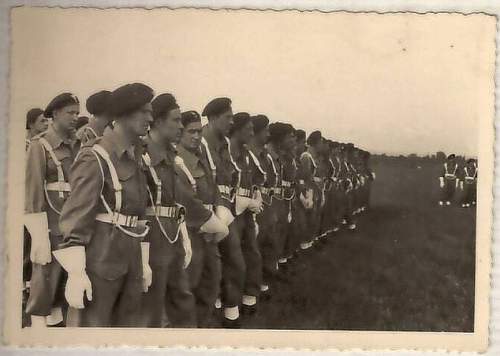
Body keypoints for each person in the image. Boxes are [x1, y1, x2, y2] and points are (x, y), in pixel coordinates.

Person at [56, 83, 153, 327]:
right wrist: (77, 273)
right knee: (92, 331)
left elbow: (137, 213)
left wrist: (142, 260)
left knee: (127, 332)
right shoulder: (94, 156)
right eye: (144, 111)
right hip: (101, 262)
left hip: (129, 258)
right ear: (123, 114)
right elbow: (76, 217)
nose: (150, 118)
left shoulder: (134, 156)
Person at [24, 93, 80, 328]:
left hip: (74, 230)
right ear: (55, 114)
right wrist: (38, 236)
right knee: (44, 289)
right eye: (70, 113)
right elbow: (33, 193)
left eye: (77, 113)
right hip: (51, 231)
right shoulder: (40, 146)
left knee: (71, 292)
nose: (75, 118)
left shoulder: (77, 146)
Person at [178, 110, 228, 327]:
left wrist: (220, 211)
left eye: (199, 131)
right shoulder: (178, 161)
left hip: (210, 229)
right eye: (191, 132)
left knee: (211, 281)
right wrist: (210, 219)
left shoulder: (200, 159)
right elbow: (186, 198)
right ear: (180, 133)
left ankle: (203, 329)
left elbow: (213, 187)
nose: (197, 136)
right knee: (190, 284)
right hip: (192, 230)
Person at [201, 97, 243, 327]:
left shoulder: (224, 143)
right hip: (209, 208)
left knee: (234, 258)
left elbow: (230, 174)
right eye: (228, 117)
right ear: (214, 118)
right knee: (210, 264)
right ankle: (213, 309)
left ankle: (231, 311)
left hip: (226, 205)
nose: (231, 121)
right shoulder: (201, 142)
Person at [228, 112, 263, 317]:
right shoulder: (227, 152)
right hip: (232, 209)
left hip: (247, 210)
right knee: (233, 257)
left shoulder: (246, 154)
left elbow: (252, 181)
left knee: (252, 252)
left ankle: (249, 297)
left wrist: (255, 196)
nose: (252, 132)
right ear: (238, 129)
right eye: (248, 129)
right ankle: (229, 306)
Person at [248, 114, 277, 299]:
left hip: (266, 203)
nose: (268, 133)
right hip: (253, 204)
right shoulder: (249, 155)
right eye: (265, 130)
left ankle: (263, 281)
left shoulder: (265, 155)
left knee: (267, 243)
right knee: (254, 248)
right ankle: (251, 288)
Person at [267, 122, 297, 272]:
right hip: (271, 200)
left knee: (282, 231)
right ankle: (271, 270)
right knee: (273, 235)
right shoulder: (269, 155)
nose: (293, 140)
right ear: (280, 138)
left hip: (282, 199)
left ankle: (277, 264)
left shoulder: (283, 155)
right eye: (289, 137)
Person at [296, 130, 324, 250]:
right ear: (316, 143)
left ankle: (310, 241)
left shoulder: (312, 157)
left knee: (314, 217)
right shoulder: (306, 156)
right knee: (308, 218)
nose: (321, 145)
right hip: (308, 191)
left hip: (314, 190)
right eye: (320, 142)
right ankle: (304, 244)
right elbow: (304, 177)